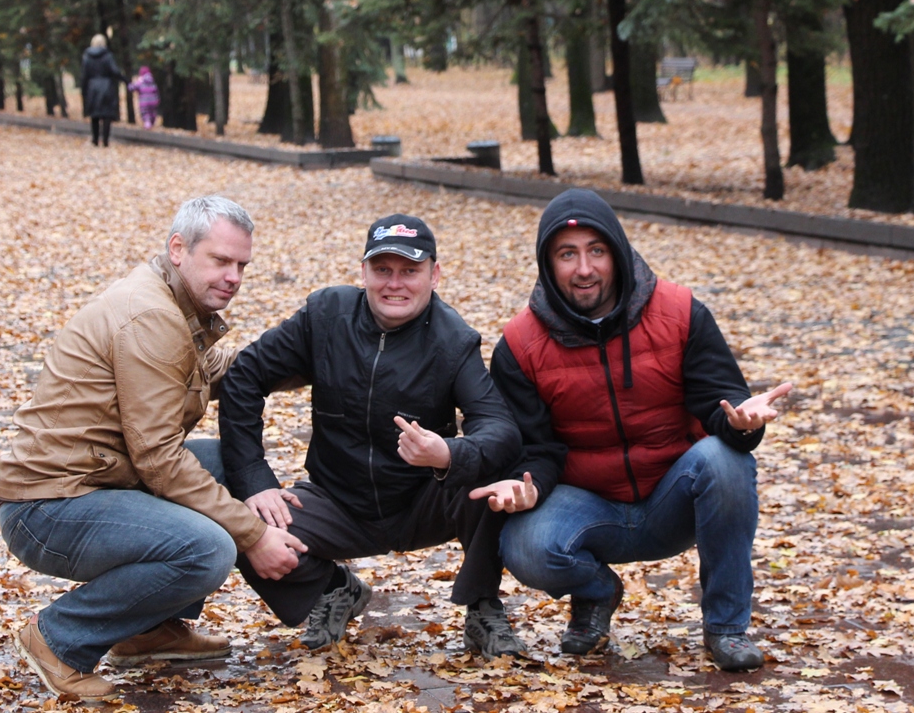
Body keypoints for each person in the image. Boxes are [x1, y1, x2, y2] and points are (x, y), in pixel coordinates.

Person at [0, 196, 307, 700]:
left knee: (222, 464)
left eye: (242, 265)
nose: (233, 277)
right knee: (209, 548)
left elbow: (218, 371)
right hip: (48, 507)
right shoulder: (151, 316)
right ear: (178, 249)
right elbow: (159, 458)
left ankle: (148, 629)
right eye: (220, 260)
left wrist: (313, 357)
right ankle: (58, 639)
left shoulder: (173, 303)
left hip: (98, 482)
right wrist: (254, 536)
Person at [477, 188, 792, 671]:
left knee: (726, 461)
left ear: (618, 253)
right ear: (547, 264)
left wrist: (741, 427)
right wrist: (528, 485)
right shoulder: (520, 346)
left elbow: (721, 403)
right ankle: (597, 591)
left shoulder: (680, 312)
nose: (584, 269)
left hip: (673, 498)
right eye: (567, 254)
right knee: (525, 545)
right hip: (587, 505)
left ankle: (727, 627)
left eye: (596, 251)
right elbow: (536, 447)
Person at [216, 214, 527, 658]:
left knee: (490, 473)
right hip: (337, 502)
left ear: (434, 275)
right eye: (382, 269)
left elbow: (499, 427)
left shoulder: (453, 340)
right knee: (241, 520)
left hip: (423, 502)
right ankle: (332, 587)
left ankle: (483, 607)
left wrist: (446, 453)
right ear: (363, 272)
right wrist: (253, 478)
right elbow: (245, 376)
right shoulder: (325, 316)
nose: (394, 284)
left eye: (409, 271)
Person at [80, 33, 126, 146]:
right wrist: (124, 79)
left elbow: (84, 75)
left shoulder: (87, 56)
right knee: (106, 114)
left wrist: (84, 89)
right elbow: (115, 71)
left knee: (94, 115)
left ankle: (95, 140)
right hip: (106, 86)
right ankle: (105, 141)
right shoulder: (108, 56)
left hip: (92, 87)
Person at [128, 65, 161, 130]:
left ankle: (148, 124)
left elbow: (132, 88)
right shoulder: (152, 82)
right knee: (152, 112)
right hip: (153, 101)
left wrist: (131, 84)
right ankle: (152, 122)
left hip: (144, 102)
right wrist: (157, 99)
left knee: (146, 114)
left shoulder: (140, 82)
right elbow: (156, 91)